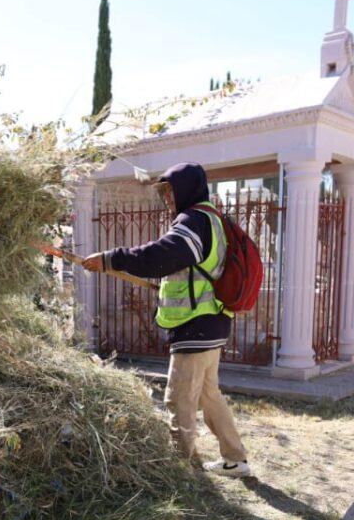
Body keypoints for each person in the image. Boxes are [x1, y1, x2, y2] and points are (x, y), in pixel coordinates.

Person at [83, 163, 252, 479]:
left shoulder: (194, 220)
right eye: (164, 191)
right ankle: (235, 459)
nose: (167, 197)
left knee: (178, 400)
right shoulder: (213, 218)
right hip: (211, 322)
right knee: (207, 394)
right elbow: (189, 266)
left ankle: (179, 472)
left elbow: (160, 256)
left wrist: (110, 259)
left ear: (188, 188)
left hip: (195, 325)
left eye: (171, 190)